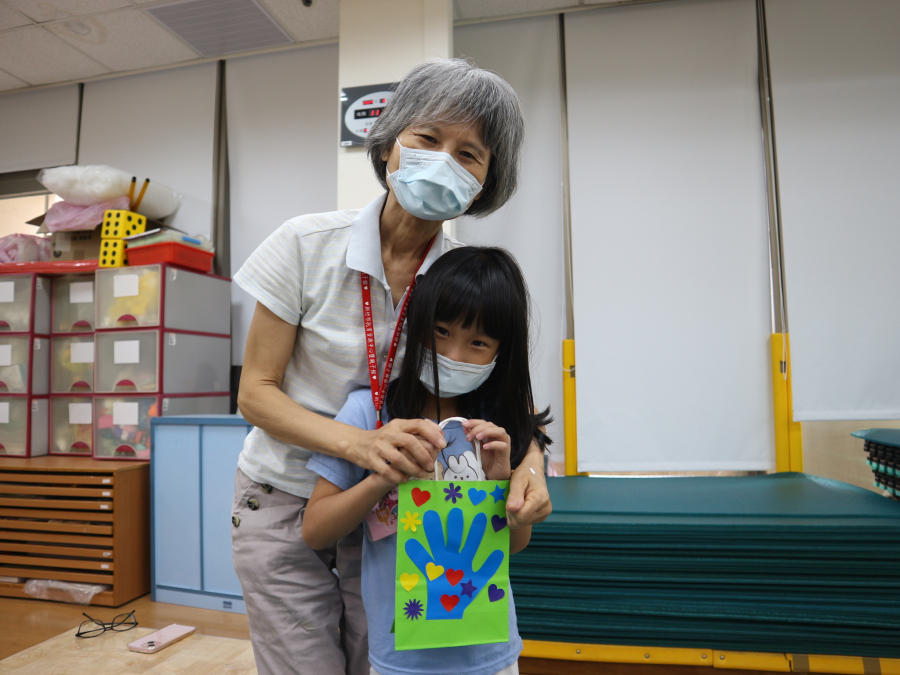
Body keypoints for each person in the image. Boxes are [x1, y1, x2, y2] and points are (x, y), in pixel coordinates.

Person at [232, 58, 553, 675]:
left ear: (488, 180)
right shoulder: (306, 244)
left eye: (469, 153)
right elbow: (256, 393)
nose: (443, 160)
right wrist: (363, 445)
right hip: (283, 494)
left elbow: (511, 404)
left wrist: (528, 468)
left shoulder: (468, 281)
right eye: (427, 139)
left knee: (373, 661)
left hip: (393, 511)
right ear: (388, 144)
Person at [304, 247, 551, 675]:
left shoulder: (496, 428)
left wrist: (501, 484)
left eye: (478, 343)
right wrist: (383, 477)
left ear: (501, 352)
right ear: (415, 325)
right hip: (402, 656)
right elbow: (315, 529)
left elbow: (514, 544)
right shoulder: (370, 415)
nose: (454, 353)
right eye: (440, 331)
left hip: (490, 653)